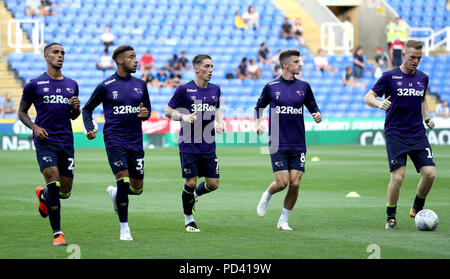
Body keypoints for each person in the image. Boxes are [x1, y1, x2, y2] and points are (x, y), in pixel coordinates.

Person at [363, 40, 436, 230]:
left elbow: (422, 99)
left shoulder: (423, 78)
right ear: (404, 55)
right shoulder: (389, 76)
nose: (415, 61)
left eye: (419, 58)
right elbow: (368, 97)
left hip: (418, 132)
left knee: (430, 174)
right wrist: (379, 104)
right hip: (395, 132)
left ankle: (417, 207)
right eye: (412, 57)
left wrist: (427, 118)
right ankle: (391, 217)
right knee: (398, 177)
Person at [82, 45, 151, 241]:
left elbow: (146, 111)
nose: (136, 60)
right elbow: (87, 109)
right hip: (115, 139)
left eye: (136, 57)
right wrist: (89, 127)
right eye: (131, 57)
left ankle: (116, 194)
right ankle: (124, 229)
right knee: (123, 180)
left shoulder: (141, 84)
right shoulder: (106, 85)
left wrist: (145, 115)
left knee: (137, 188)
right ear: (120, 61)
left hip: (135, 141)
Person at [18, 43, 81, 246]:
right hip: (45, 141)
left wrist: (76, 110)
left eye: (63, 52)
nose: (60, 55)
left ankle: (43, 196)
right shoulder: (34, 84)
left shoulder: (72, 84)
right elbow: (21, 112)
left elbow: (73, 116)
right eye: (55, 52)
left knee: (65, 192)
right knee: (52, 179)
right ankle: (58, 234)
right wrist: (35, 128)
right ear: (46, 56)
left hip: (66, 141)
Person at [255, 49, 322, 230]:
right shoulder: (271, 86)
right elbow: (259, 107)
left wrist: (317, 115)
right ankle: (267, 195)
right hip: (278, 141)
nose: (300, 64)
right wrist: (257, 124)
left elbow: (313, 106)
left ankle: (283, 220)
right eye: (296, 62)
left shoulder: (304, 86)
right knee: (282, 182)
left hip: (298, 143)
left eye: (300, 62)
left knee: (295, 182)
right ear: (285, 65)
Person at [164, 54, 224, 232]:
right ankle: (188, 219)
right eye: (207, 66)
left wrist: (219, 122)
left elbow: (217, 108)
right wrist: (183, 116)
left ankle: (195, 195)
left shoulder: (215, 89)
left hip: (208, 144)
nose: (210, 70)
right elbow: (168, 111)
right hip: (188, 144)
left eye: (212, 66)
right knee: (190, 182)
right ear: (196, 69)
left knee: (213, 184)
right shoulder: (184, 90)